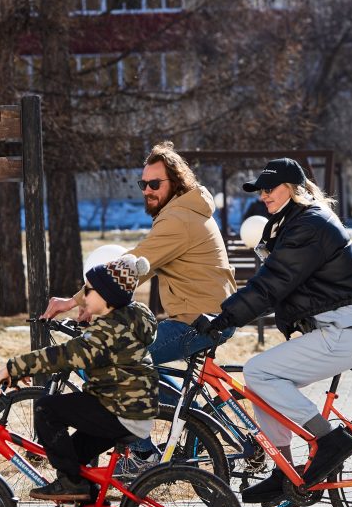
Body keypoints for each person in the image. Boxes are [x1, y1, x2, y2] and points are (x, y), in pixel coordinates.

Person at [193, 157, 352, 505]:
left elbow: (272, 284)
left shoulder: (310, 225)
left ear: (293, 189)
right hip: (339, 328)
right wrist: (229, 316)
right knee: (263, 383)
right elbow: (276, 286)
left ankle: (328, 441)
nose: (263, 196)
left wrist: (224, 318)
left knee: (259, 371)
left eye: (270, 189)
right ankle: (285, 470)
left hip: (345, 329)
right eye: (260, 191)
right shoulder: (294, 224)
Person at [42, 141, 237, 364]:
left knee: (122, 359)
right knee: (143, 367)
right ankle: (167, 401)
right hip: (207, 316)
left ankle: (165, 401)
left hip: (201, 321)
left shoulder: (178, 219)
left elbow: (131, 266)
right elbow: (145, 267)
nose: (147, 191)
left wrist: (72, 302)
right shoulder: (183, 211)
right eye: (142, 184)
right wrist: (95, 300)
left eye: (154, 184)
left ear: (175, 182)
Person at [0, 255, 159, 502]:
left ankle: (71, 485)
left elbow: (66, 355)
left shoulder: (108, 332)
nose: (84, 295)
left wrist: (13, 368)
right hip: (125, 408)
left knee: (46, 408)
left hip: (121, 410)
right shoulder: (122, 321)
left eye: (89, 290)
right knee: (74, 458)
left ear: (107, 296)